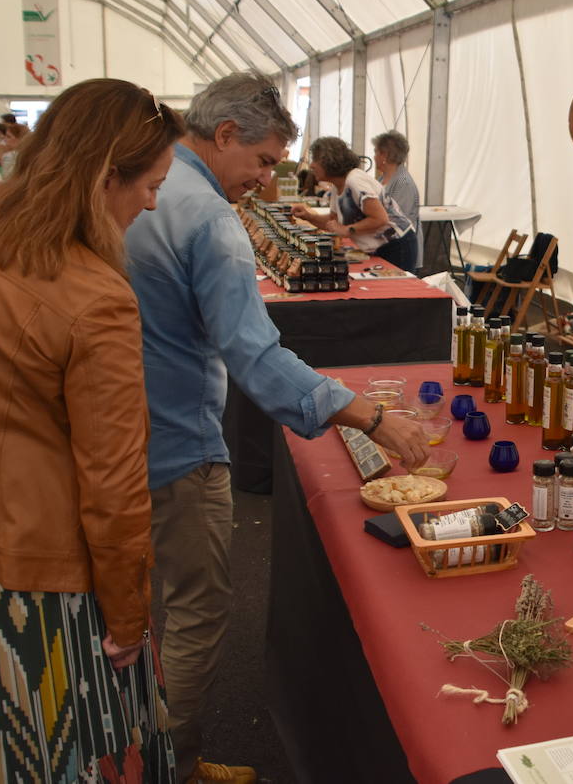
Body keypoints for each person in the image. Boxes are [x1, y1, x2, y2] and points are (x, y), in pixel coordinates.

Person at [124, 72, 429, 784]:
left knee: (130, 612)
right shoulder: (205, 216)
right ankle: (179, 764)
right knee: (195, 612)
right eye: (262, 162)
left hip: (122, 433)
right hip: (177, 445)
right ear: (224, 135)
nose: (267, 179)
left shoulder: (148, 186)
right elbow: (255, 356)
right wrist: (368, 415)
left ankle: (132, 748)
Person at [0, 78, 183, 783]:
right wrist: (127, 616)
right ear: (104, 174)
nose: (152, 203)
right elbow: (114, 483)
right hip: (35, 591)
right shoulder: (92, 294)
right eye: (149, 185)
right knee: (63, 754)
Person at [290, 135, 416, 269]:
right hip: (382, 247)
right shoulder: (337, 185)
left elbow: (380, 218)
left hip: (398, 246)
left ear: (329, 161)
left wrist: (346, 229)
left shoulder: (354, 180)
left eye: (315, 160)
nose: (311, 165)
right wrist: (308, 216)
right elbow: (333, 222)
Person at [371, 129, 421, 270]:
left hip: (400, 251)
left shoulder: (403, 182)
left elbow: (399, 222)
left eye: (376, 152)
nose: (374, 157)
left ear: (384, 155)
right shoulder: (382, 179)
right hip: (388, 247)